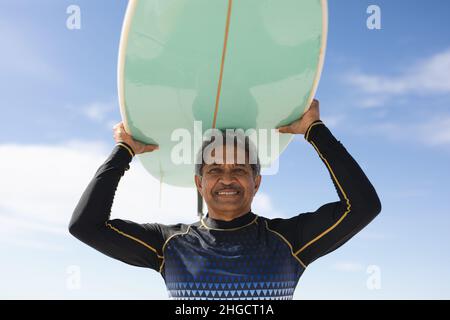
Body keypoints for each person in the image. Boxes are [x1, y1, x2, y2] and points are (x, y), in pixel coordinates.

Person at [69, 99, 381, 299]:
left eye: (240, 169)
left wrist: (315, 131)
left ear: (256, 182)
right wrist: (124, 152)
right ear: (199, 183)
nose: (228, 178)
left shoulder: (289, 241)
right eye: (215, 169)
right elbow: (85, 227)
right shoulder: (169, 244)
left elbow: (363, 206)